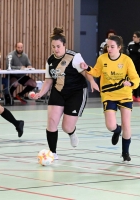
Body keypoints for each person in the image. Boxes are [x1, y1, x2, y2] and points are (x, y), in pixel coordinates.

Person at [32, 27, 97, 160]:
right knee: (51, 121)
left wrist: (92, 81)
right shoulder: (50, 60)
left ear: (64, 45)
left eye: (58, 46)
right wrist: (40, 93)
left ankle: (71, 133)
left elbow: (86, 72)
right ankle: (53, 153)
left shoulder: (74, 57)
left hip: (76, 92)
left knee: (66, 127)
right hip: (58, 91)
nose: (56, 49)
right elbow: (48, 81)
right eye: (53, 46)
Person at [82, 35, 140, 162]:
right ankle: (116, 130)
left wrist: (130, 83)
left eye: (112, 47)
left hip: (124, 95)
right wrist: (87, 68)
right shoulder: (102, 59)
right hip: (108, 95)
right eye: (108, 46)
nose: (109, 49)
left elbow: (136, 78)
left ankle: (125, 153)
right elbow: (96, 72)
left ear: (119, 47)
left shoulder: (126, 60)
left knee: (126, 124)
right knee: (110, 125)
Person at [126, 31, 140, 102]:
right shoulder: (130, 44)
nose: (133, 38)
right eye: (133, 36)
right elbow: (128, 53)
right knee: (133, 79)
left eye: (135, 37)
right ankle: (134, 95)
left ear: (139, 38)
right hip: (132, 65)